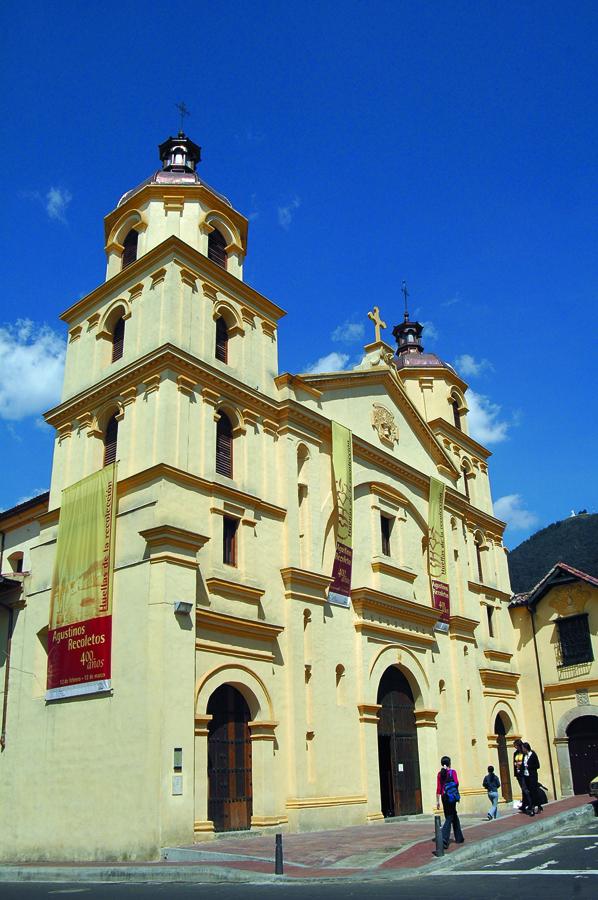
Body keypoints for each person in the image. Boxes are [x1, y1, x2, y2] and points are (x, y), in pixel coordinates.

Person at [436, 755, 464, 848]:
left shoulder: (440, 774)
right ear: (449, 763)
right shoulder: (452, 772)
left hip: (444, 797)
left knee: (453, 815)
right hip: (452, 797)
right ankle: (443, 838)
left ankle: (459, 837)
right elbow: (456, 783)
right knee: (450, 817)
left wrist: (437, 801)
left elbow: (439, 788)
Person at [513, 738, 532, 814]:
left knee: (525, 789)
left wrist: (521, 765)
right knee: (523, 789)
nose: (515, 748)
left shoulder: (524, 753)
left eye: (516, 746)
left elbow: (526, 761)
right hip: (518, 774)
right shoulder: (515, 753)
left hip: (524, 773)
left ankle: (530, 804)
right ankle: (524, 805)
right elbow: (514, 762)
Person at [523, 742, 543, 813]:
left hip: (532, 776)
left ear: (526, 748)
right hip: (526, 776)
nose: (522, 750)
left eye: (523, 748)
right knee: (529, 791)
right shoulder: (524, 756)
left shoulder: (533, 755)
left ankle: (537, 805)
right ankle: (533, 806)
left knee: (534, 791)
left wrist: (529, 767)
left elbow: (537, 765)